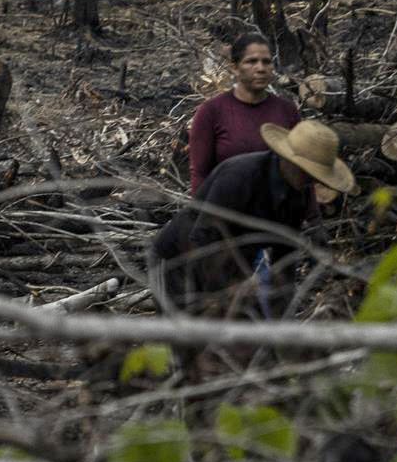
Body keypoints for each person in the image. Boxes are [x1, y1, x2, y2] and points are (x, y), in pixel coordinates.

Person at [149, 120, 356, 319]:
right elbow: (204, 237)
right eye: (307, 173)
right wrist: (223, 297)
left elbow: (284, 258)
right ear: (288, 160)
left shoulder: (297, 196)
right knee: (185, 338)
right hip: (179, 259)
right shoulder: (239, 176)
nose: (311, 181)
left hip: (233, 264)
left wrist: (281, 314)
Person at [186, 31, 301, 193]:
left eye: (266, 62)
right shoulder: (211, 112)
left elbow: (302, 169)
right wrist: (202, 215)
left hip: (277, 212)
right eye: (251, 61)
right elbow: (199, 174)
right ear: (235, 68)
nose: (261, 68)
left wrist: (312, 216)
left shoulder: (287, 111)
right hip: (228, 210)